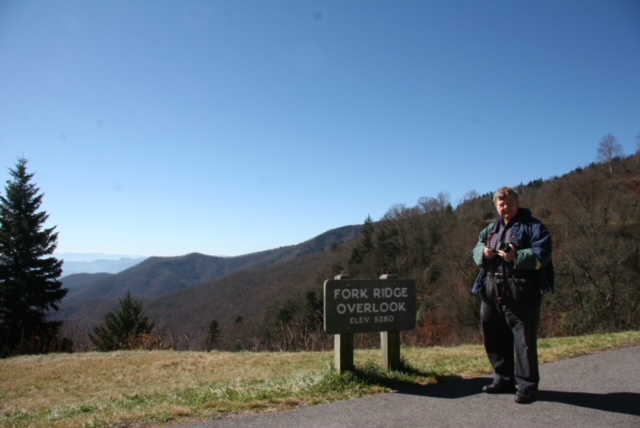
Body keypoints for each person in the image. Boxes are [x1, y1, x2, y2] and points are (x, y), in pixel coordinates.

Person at [471, 186, 554, 404]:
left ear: (517, 203)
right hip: (491, 293)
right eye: (501, 204)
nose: (505, 207)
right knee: (494, 338)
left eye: (509, 203)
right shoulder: (491, 229)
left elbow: (543, 253)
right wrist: (484, 253)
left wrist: (517, 256)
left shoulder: (533, 226)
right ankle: (503, 379)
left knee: (524, 342)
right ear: (496, 206)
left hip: (522, 294)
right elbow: (476, 248)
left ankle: (526, 386)